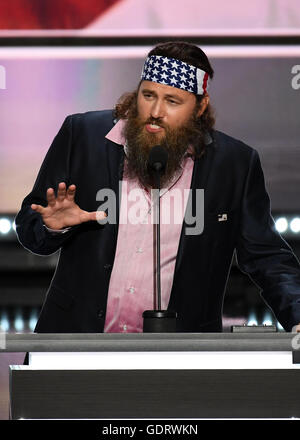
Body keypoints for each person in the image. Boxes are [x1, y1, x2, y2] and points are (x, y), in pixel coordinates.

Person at [15, 41, 300, 334]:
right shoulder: (82, 136)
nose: (156, 111)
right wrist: (51, 228)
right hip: (75, 344)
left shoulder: (234, 164)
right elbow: (29, 228)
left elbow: (267, 257)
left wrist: (297, 315)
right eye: (148, 95)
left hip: (180, 357)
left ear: (200, 106)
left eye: (172, 101)